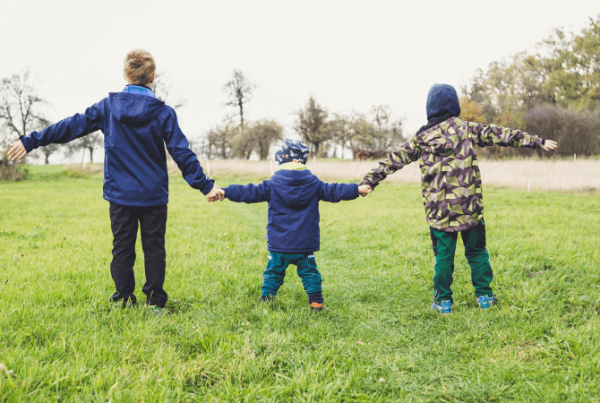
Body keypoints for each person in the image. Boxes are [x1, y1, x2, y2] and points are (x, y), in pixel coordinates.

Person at [8, 49, 223, 313]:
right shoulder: (164, 112)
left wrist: (31, 141)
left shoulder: (108, 108)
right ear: (152, 76)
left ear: (125, 74)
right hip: (153, 195)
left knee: (122, 248)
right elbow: (181, 152)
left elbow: (71, 126)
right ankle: (155, 302)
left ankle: (123, 299)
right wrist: (206, 185)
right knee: (154, 248)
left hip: (120, 195)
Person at [359, 84, 557, 314]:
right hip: (469, 208)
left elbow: (393, 160)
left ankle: (443, 302)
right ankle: (484, 296)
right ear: (455, 106)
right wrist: (536, 141)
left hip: (440, 213)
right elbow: (500, 134)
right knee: (477, 252)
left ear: (430, 109)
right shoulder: (466, 129)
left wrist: (370, 181)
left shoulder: (421, 139)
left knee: (443, 257)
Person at [214, 140, 371, 310]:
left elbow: (248, 192)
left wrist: (226, 191)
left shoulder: (272, 184)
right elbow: (335, 191)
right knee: (310, 273)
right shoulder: (314, 184)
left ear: (280, 161)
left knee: (273, 272)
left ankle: (266, 299)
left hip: (279, 244)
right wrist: (357, 189)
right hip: (304, 244)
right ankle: (316, 303)